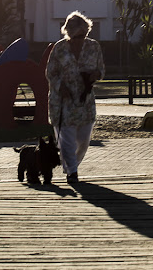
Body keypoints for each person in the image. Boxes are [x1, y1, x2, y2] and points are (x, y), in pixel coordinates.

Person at [46, 11, 105, 183]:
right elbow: (50, 73)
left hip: (85, 101)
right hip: (63, 101)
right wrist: (60, 86)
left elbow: (101, 70)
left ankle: (71, 164)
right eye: (78, 36)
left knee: (84, 140)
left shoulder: (94, 47)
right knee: (68, 139)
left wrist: (96, 74)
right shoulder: (59, 48)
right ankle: (72, 171)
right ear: (69, 33)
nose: (82, 38)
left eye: (84, 34)